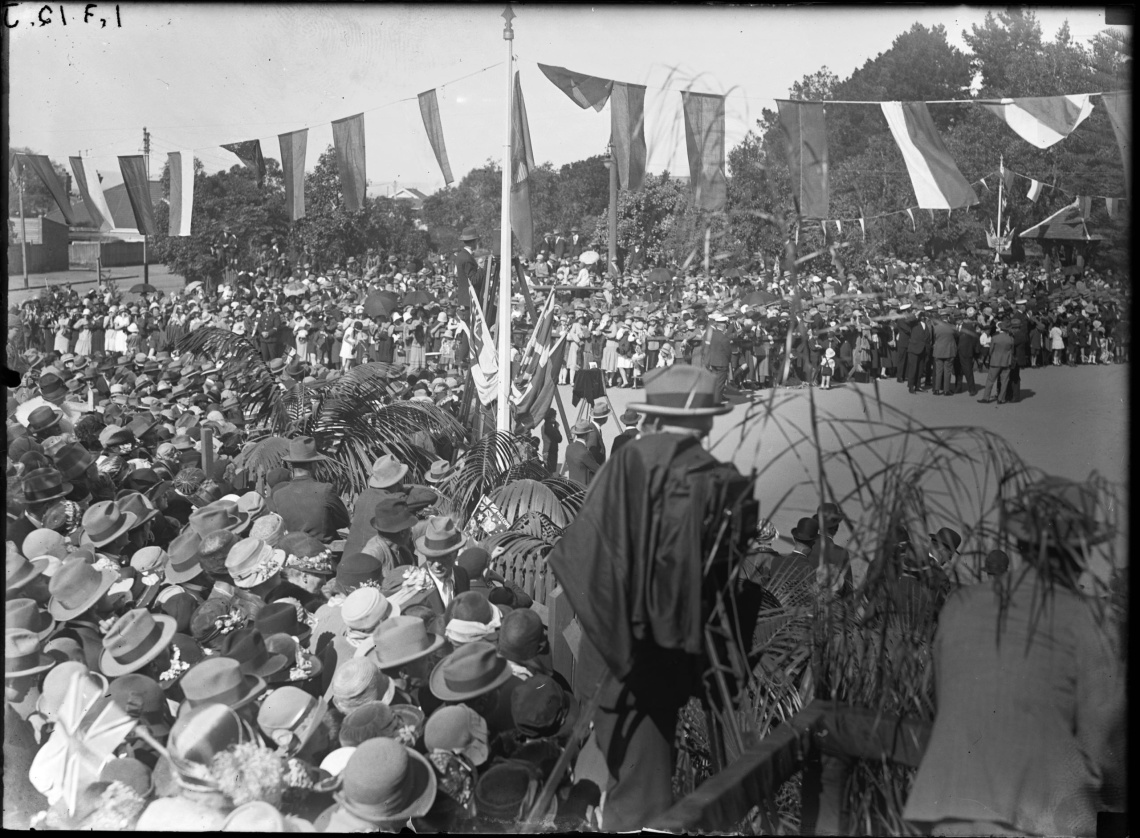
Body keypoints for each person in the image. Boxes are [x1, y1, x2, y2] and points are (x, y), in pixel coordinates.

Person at [546, 365, 754, 831]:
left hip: (601, 656)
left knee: (613, 764)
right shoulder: (709, 479)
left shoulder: (622, 464)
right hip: (653, 666)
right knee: (644, 798)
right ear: (703, 422)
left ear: (654, 418)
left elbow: (574, 557)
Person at [903, 476, 1125, 836]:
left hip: (947, 807)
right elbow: (1105, 750)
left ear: (1021, 544)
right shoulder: (1091, 622)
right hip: (1034, 817)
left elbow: (939, 699)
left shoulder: (962, 604)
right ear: (1080, 552)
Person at [267, 436, 350, 543]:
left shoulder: (278, 495)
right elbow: (344, 521)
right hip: (324, 552)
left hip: (292, 553)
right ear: (313, 464)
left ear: (291, 465)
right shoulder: (325, 490)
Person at [978, 321, 1014, 405]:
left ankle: (986, 398)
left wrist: (992, 356)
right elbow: (1012, 351)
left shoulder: (995, 338)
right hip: (1006, 361)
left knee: (990, 380)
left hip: (995, 361)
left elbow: (991, 351)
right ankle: (1001, 399)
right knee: (1004, 381)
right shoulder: (1010, 339)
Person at [563, 421, 601, 486]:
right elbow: (597, 469)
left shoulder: (569, 447)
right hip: (583, 489)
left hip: (572, 486)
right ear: (587, 435)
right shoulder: (585, 452)